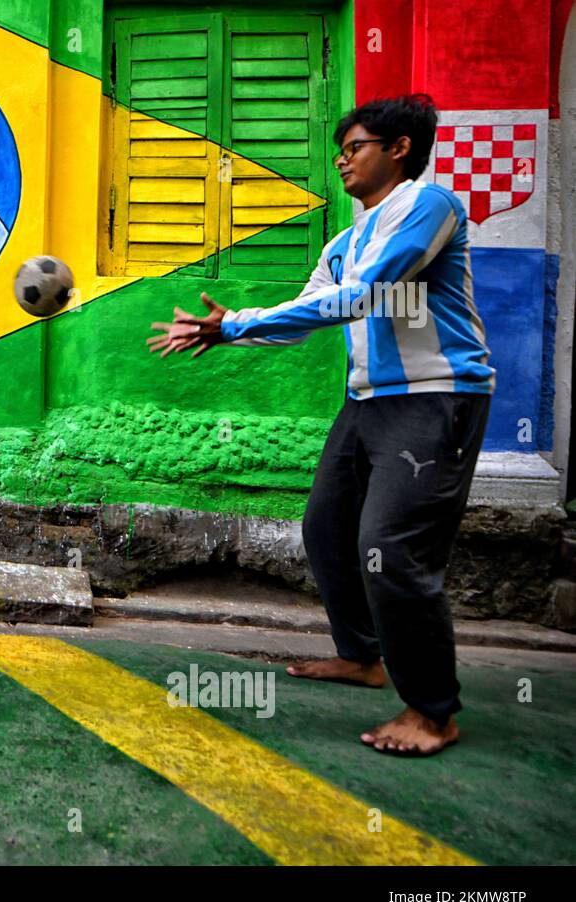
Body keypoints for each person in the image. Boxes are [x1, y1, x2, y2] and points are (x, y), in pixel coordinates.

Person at [148, 95, 494, 756]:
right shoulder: (346, 240)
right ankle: (364, 655)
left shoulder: (430, 207)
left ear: (399, 149)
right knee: (328, 527)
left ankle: (433, 710)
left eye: (355, 145)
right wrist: (224, 335)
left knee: (391, 547)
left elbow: (365, 295)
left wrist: (238, 321)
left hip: (435, 397)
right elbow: (311, 309)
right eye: (341, 148)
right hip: (367, 401)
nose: (341, 158)